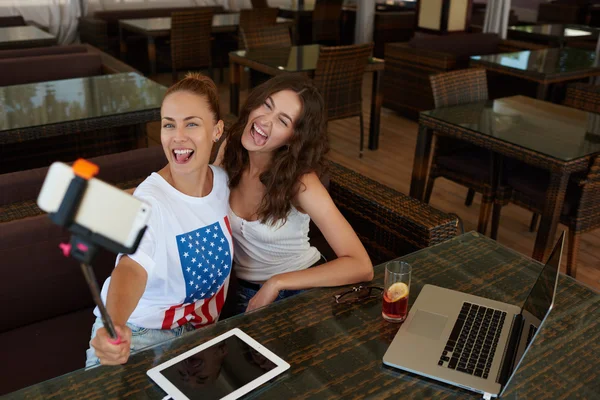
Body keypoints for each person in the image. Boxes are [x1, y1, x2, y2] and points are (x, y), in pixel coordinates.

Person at [86, 73, 232, 366]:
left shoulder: (224, 182)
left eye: (191, 123)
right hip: (142, 335)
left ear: (217, 131)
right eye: (169, 125)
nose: (178, 136)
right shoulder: (148, 203)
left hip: (202, 337)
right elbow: (130, 268)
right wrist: (113, 326)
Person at [219, 74, 373, 314]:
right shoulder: (231, 149)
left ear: (294, 137)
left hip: (302, 292)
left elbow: (361, 265)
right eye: (266, 105)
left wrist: (277, 282)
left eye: (282, 121)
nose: (265, 121)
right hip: (245, 294)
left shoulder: (301, 182)